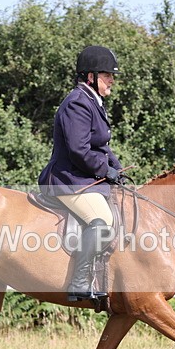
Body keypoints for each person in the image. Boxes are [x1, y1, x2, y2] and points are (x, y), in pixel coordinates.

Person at [38, 45, 124, 302]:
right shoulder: (77, 102)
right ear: (90, 76)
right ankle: (79, 281)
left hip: (83, 178)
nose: (112, 80)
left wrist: (117, 169)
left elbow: (101, 146)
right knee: (102, 220)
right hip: (67, 180)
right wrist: (105, 170)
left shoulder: (93, 102)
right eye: (107, 75)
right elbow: (79, 150)